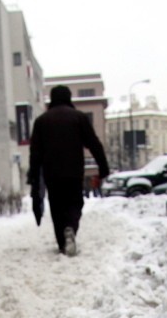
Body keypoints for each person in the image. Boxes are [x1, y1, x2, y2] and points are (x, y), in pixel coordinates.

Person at [29, 85, 109, 256]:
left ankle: (62, 244)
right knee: (75, 203)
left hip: (52, 173)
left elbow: (35, 153)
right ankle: (70, 228)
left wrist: (33, 176)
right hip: (74, 171)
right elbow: (94, 144)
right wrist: (103, 167)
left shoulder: (41, 121)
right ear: (69, 98)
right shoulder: (78, 118)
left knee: (57, 206)